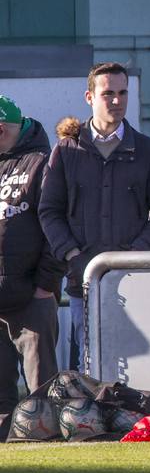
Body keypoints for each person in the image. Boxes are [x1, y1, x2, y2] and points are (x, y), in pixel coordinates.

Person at [38, 63, 150, 370]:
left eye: (123, 92)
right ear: (89, 96)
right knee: (89, 371)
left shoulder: (148, 151)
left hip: (133, 282)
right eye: (108, 93)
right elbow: (49, 211)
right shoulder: (66, 151)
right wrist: (72, 254)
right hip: (82, 284)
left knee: (136, 371)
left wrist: (138, 253)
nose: (117, 100)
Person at [0, 97, 61, 439]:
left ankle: (50, 461)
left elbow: (56, 227)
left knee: (43, 395)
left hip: (31, 297)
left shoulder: (42, 163)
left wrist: (45, 284)